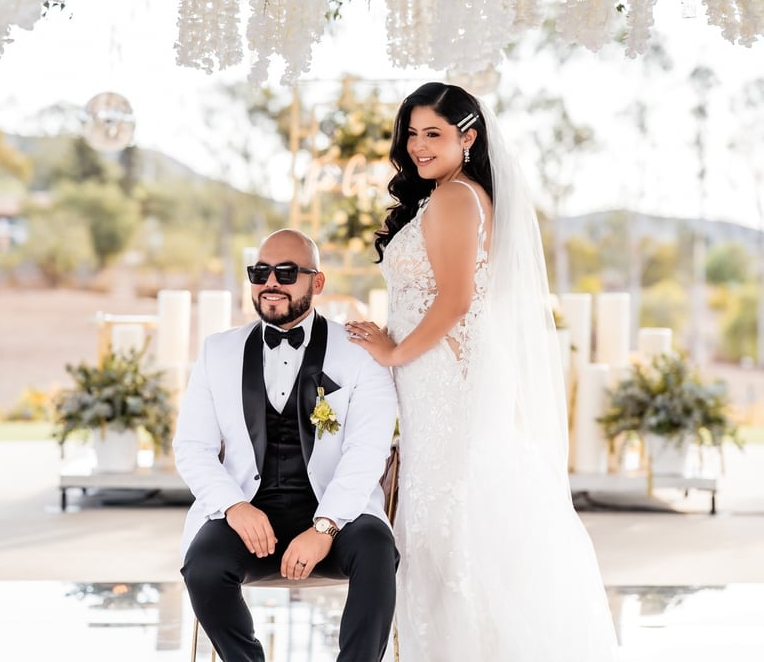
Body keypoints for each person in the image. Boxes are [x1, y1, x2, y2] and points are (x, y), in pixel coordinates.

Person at [346, 83, 620, 660]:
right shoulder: (456, 195)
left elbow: (454, 301)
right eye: (413, 133)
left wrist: (393, 352)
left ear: (468, 138)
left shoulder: (453, 199)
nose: (419, 146)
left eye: (435, 134)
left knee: (449, 522)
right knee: (451, 517)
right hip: (440, 374)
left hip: (442, 376)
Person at [174, 228, 399, 662]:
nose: (270, 283)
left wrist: (324, 527)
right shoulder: (217, 352)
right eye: (260, 272)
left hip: (336, 511)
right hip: (249, 510)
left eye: (286, 272)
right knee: (203, 568)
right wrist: (234, 507)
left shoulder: (359, 353)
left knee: (377, 550)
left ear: (317, 282)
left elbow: (368, 451)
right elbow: (191, 447)